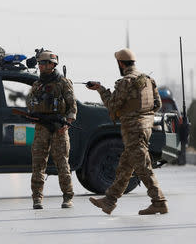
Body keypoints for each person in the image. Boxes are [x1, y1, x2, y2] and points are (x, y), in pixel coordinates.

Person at [86, 48, 168, 215]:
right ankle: (109, 201)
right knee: (125, 166)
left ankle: (159, 201)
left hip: (133, 129)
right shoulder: (148, 80)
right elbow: (157, 104)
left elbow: (112, 105)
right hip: (146, 127)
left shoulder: (125, 82)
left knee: (143, 166)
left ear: (121, 63)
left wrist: (101, 90)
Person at [27, 50, 77, 209]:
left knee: (62, 164)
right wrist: (33, 115)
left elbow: (72, 106)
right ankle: (37, 198)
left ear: (52, 64)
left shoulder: (63, 83)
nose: (40, 66)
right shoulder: (37, 85)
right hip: (42, 128)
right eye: (39, 63)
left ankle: (68, 197)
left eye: (43, 63)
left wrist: (67, 123)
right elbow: (30, 104)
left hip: (59, 128)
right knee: (38, 164)